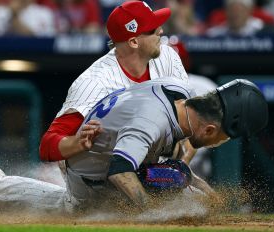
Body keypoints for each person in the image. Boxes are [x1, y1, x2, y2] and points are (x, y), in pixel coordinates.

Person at [0, 78, 268, 211]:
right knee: (71, 208)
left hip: (99, 152)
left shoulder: (177, 93)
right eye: (222, 138)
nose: (219, 143)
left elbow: (169, 162)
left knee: (172, 174)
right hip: (92, 175)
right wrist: (150, 214)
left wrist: (208, 193)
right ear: (211, 127)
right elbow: (119, 172)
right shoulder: (153, 122)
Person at [39, 0, 189, 163]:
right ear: (134, 42)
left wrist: (180, 162)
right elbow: (47, 146)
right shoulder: (95, 82)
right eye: (153, 29)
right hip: (96, 178)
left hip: (147, 163)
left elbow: (193, 118)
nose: (161, 31)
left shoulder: (167, 57)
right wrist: (76, 143)